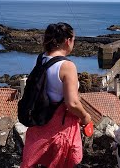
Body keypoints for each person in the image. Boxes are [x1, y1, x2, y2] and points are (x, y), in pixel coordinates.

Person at [21, 22, 92, 168]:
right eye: (73, 40)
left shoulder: (42, 59)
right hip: (60, 129)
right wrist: (85, 116)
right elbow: (72, 103)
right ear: (68, 41)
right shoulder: (67, 66)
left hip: (40, 125)